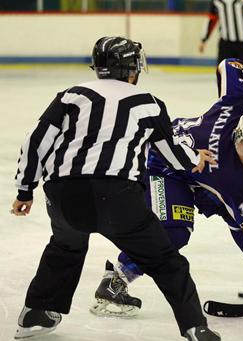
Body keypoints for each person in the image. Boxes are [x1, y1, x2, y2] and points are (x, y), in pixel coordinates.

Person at [11, 36, 220, 341]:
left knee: (65, 247)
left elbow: (36, 141)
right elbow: (171, 153)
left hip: (64, 195)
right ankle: (194, 326)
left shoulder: (72, 96)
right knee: (164, 261)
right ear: (133, 68)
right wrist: (195, 159)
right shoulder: (148, 103)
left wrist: (25, 190)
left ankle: (35, 314)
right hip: (118, 198)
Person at [90, 58, 243, 317]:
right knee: (175, 232)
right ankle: (115, 281)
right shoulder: (231, 178)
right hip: (166, 166)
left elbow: (229, 65)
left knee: (236, 211)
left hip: (203, 172)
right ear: (239, 134)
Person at [199, 0, 243, 69]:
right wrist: (204, 39)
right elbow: (212, 20)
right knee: (224, 73)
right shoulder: (217, 2)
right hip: (226, 44)